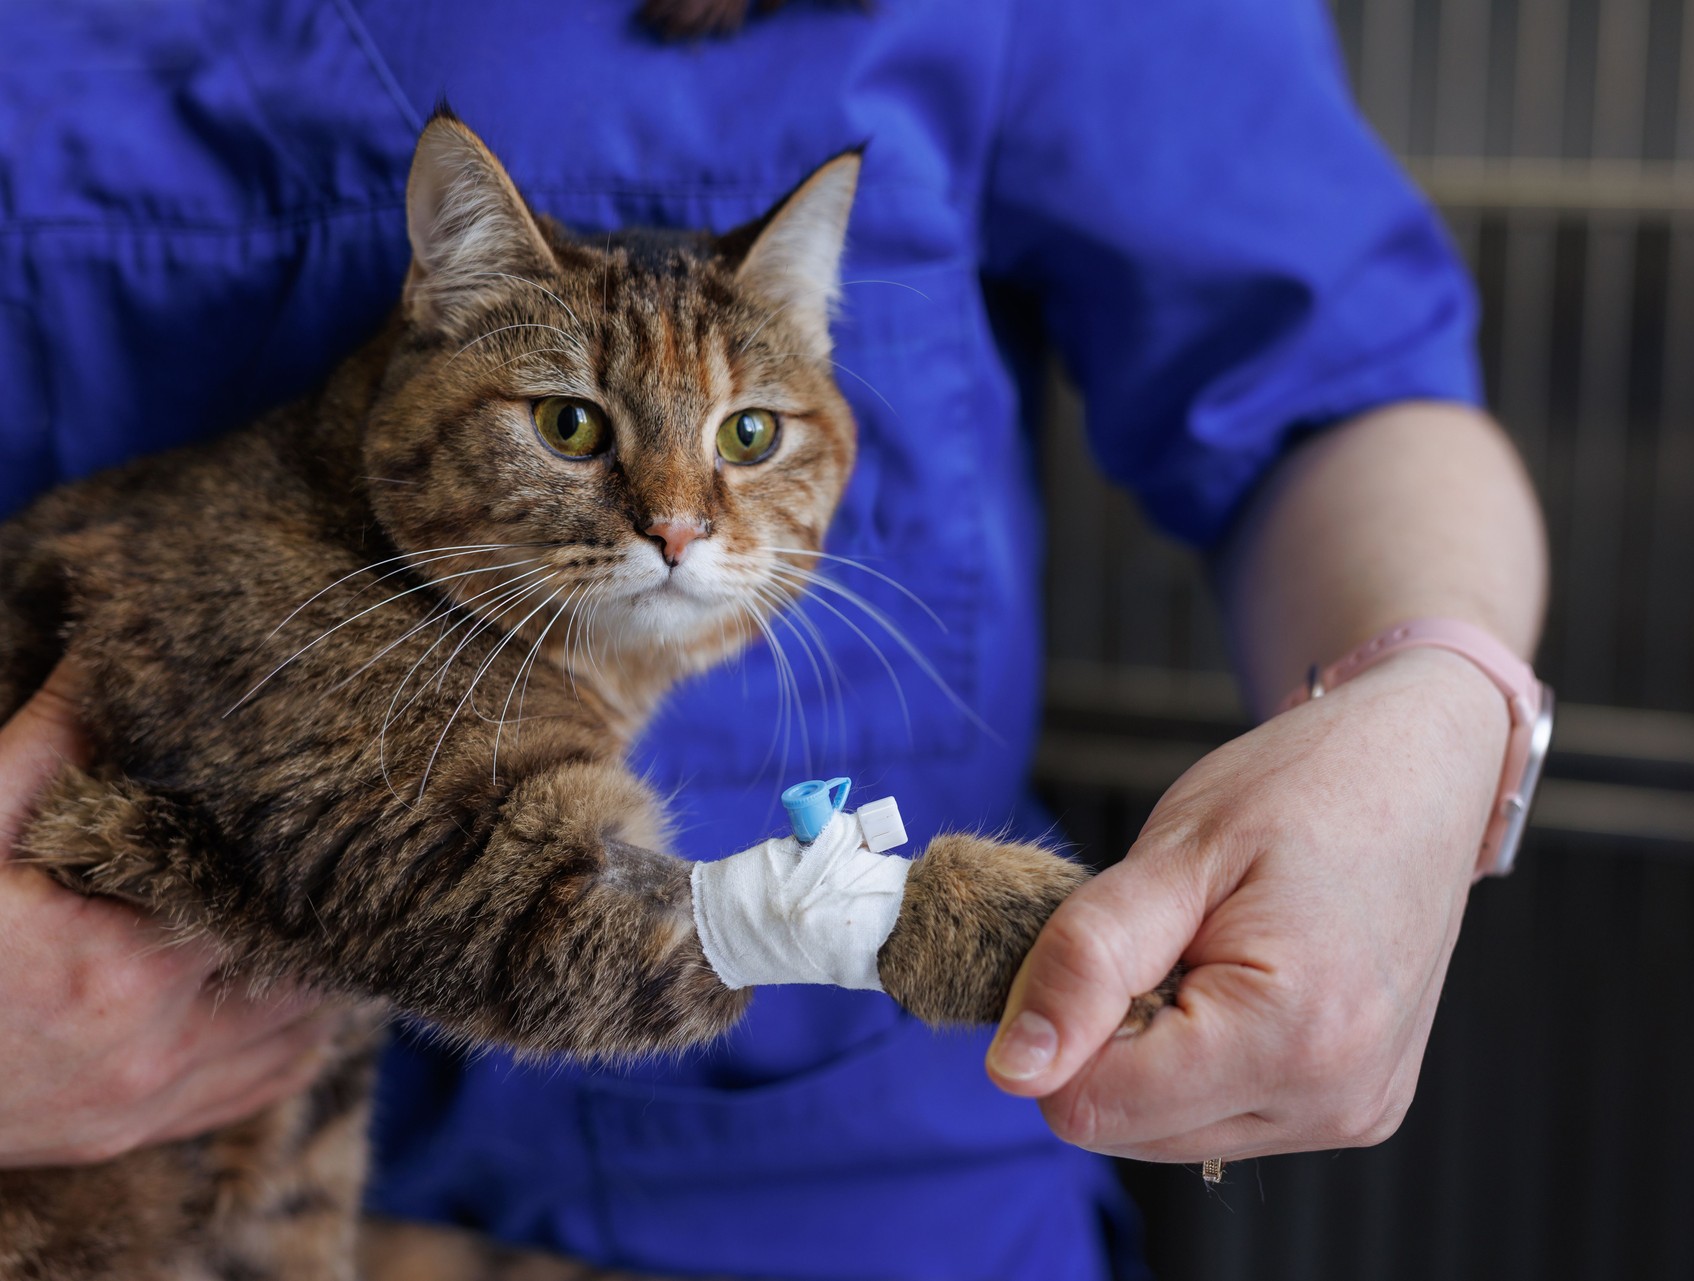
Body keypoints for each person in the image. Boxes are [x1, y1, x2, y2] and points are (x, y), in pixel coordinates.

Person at [0, 2, 1546, 1277]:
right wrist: (927, 922)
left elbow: (1332, 378)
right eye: (571, 428)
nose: (676, 515)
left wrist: (1428, 714)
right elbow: (534, 916)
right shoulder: (283, 597)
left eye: (746, 434)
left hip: (862, 1200)